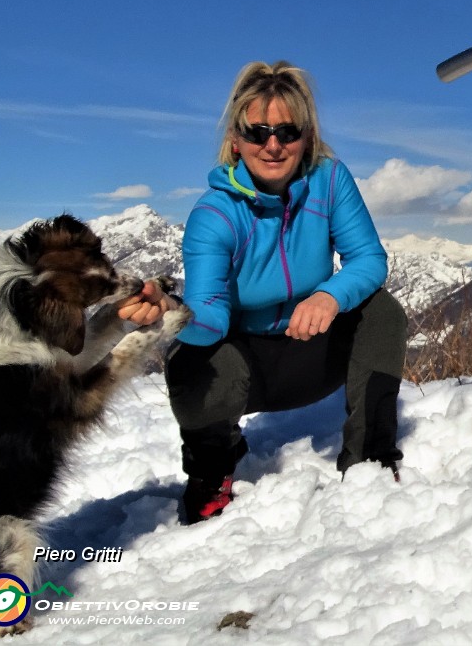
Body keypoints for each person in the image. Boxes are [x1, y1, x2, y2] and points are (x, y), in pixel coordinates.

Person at [120, 61, 406, 524]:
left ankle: (370, 459)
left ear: (306, 138)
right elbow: (209, 314)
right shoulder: (214, 215)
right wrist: (170, 311)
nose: (273, 144)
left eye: (287, 132)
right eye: (258, 133)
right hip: (245, 367)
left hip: (314, 353)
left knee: (382, 312)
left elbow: (369, 260)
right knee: (191, 360)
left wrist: (329, 296)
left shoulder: (330, 180)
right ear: (236, 140)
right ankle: (212, 471)